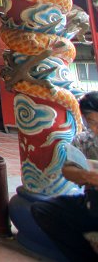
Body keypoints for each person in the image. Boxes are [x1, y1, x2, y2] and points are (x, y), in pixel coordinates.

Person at [31, 91, 98, 261]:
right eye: (92, 122)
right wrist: (87, 175)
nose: (96, 128)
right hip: (92, 202)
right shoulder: (83, 140)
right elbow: (67, 171)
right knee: (42, 210)